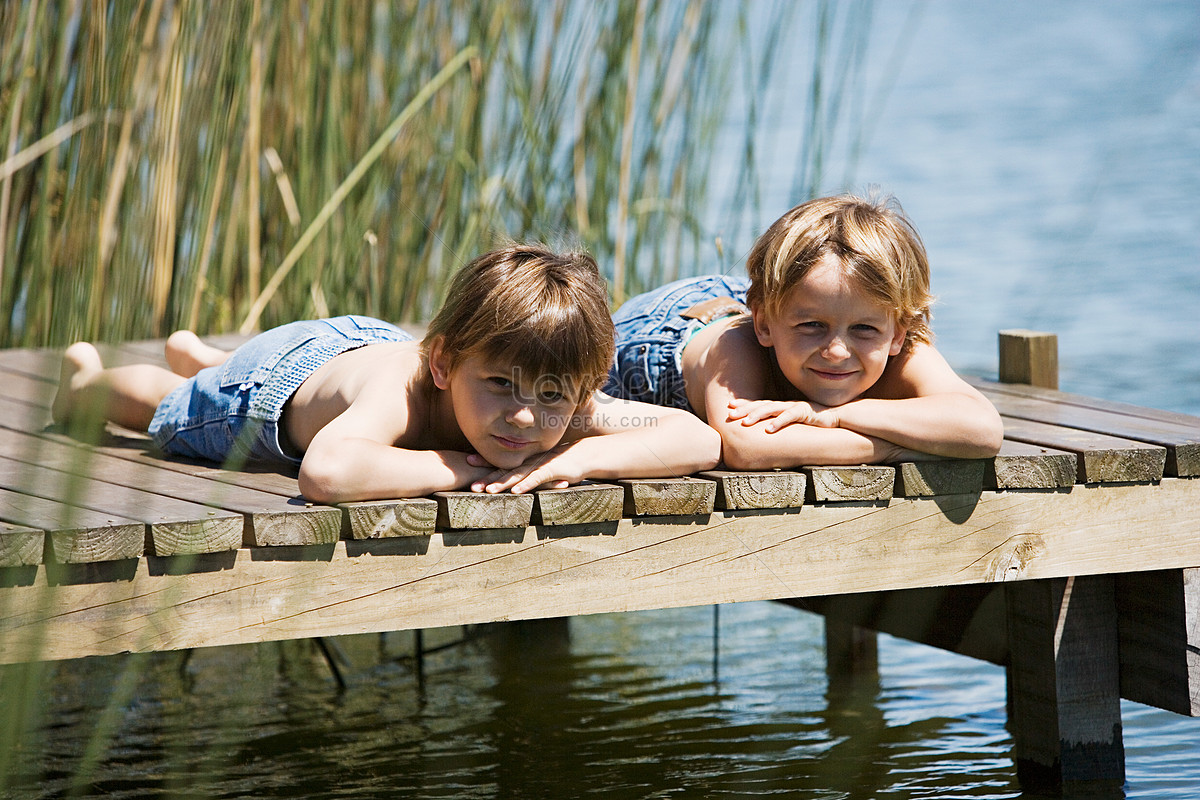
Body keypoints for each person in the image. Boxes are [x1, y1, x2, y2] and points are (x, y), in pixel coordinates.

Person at [52, 244, 721, 502]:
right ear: (444, 365)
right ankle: (90, 382)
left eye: (552, 397)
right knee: (173, 409)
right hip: (274, 388)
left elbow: (696, 440)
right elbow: (326, 472)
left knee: (224, 370)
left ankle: (208, 353)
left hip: (356, 346)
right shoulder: (400, 394)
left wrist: (573, 462)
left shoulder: (559, 403)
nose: (525, 416)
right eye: (500, 386)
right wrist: (462, 468)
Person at [604, 193, 1004, 469]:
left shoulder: (900, 345)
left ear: (897, 332)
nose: (836, 350)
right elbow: (745, 447)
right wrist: (895, 447)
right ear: (765, 325)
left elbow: (982, 429)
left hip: (764, 300)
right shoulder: (737, 347)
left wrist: (836, 416)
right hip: (660, 338)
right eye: (812, 327)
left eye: (863, 329)